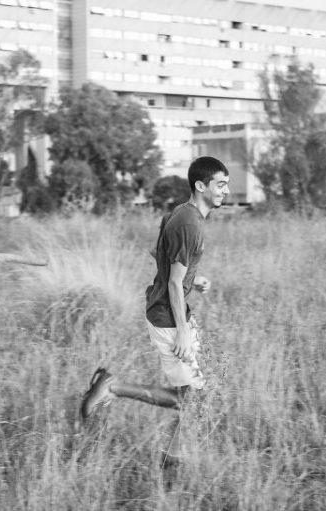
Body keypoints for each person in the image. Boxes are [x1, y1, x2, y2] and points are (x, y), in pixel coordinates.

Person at [80, 156, 230, 465]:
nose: (225, 191)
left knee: (194, 396)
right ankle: (115, 392)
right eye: (221, 184)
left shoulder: (178, 213)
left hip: (167, 310)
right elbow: (174, 285)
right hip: (168, 316)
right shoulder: (191, 224)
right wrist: (183, 334)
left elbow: (159, 254)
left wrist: (192, 278)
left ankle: (171, 458)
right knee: (194, 399)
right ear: (201, 186)